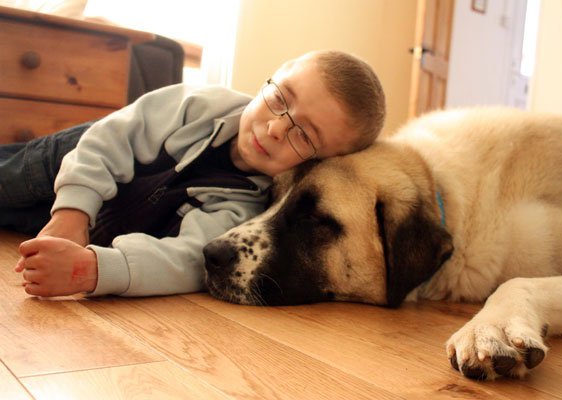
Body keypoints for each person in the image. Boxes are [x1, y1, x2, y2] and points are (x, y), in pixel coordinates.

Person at [1, 50, 386, 298]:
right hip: (67, 164)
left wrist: (95, 269)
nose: (275, 129)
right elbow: (111, 139)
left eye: (302, 134)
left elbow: (185, 260)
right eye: (280, 99)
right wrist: (71, 214)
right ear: (266, 81)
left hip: (97, 232)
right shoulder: (199, 105)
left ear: (313, 164)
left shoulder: (242, 210)